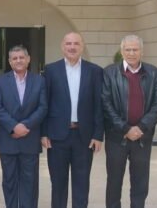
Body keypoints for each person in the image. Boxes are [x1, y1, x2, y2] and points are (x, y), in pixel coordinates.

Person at [41, 31, 103, 208]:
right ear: (62, 46)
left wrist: (98, 135)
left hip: (84, 136)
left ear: (82, 46)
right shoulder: (51, 70)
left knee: (82, 184)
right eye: (68, 43)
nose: (72, 47)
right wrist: (44, 133)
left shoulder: (95, 71)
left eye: (76, 43)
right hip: (57, 136)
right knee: (58, 184)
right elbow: (44, 103)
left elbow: (99, 105)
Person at [102, 35, 157, 208]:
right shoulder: (109, 72)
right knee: (114, 182)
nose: (131, 53)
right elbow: (106, 104)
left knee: (140, 182)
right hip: (117, 137)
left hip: (142, 138)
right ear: (122, 51)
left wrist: (141, 127)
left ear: (142, 51)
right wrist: (125, 129)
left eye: (135, 49)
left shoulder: (153, 73)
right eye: (127, 49)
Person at [0, 45, 47, 208]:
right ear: (10, 62)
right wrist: (13, 126)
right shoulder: (0, 81)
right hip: (8, 139)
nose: (18, 61)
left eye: (21, 57)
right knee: (9, 182)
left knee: (30, 183)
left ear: (28, 59)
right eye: (14, 58)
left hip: (30, 139)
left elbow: (43, 107)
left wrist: (25, 125)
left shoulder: (39, 81)